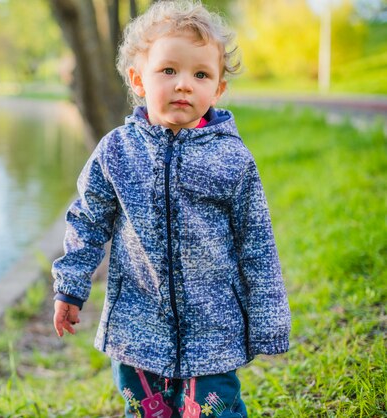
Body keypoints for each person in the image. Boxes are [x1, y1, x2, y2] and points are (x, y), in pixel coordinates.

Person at [51, 1, 291, 416]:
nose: (184, 84)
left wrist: (268, 318)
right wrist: (71, 284)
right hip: (136, 326)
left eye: (200, 75)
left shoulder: (232, 158)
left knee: (216, 410)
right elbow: (88, 221)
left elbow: (257, 244)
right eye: (168, 70)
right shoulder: (117, 152)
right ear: (138, 79)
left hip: (213, 329)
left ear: (217, 90)